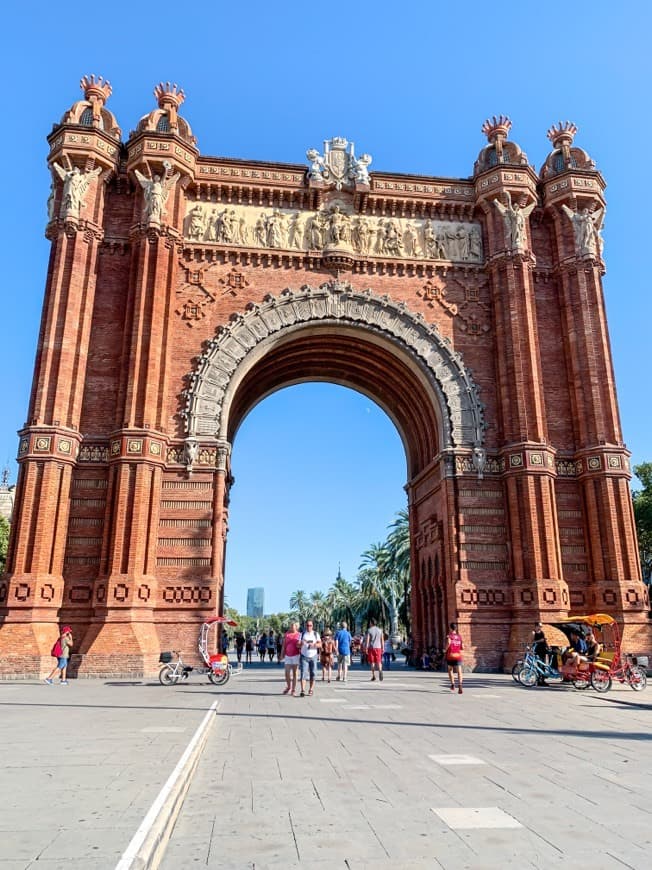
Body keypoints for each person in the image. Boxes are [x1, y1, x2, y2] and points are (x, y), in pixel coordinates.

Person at [299, 620, 321, 697]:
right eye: (307, 625)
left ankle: (311, 689)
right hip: (304, 656)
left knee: (313, 673)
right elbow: (298, 645)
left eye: (310, 625)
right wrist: (301, 643)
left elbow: (320, 644)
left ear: (312, 626)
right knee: (303, 673)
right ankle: (302, 690)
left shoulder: (316, 634)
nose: (309, 627)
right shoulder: (302, 634)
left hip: (313, 656)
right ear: (305, 626)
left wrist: (314, 645)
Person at [280, 621, 301, 695]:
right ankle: (289, 686)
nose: (291, 626)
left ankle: (293, 689)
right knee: (287, 673)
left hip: (296, 655)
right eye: (291, 625)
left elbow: (301, 645)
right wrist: (282, 654)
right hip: (288, 655)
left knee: (295, 673)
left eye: (293, 625)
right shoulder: (287, 634)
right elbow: (284, 645)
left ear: (296, 626)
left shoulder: (299, 635)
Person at [445, 622, 464, 694]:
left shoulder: (449, 636)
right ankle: (460, 685)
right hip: (458, 655)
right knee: (459, 671)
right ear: (456, 628)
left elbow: (448, 643)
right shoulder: (459, 637)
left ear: (450, 628)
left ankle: (453, 684)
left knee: (450, 670)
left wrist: (445, 650)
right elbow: (462, 647)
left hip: (450, 655)